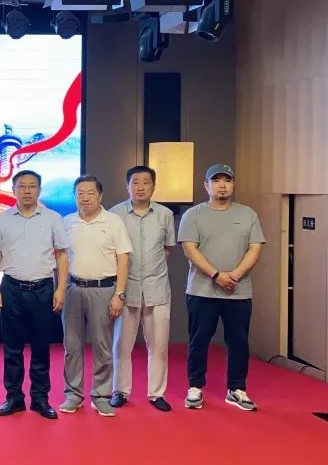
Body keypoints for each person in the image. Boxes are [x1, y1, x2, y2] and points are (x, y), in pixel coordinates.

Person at [179, 164, 265, 412]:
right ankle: (195, 387)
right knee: (198, 340)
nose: (222, 185)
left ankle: (236, 389)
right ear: (206, 186)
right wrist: (216, 275)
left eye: (227, 180)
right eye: (216, 181)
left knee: (238, 342)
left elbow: (255, 247)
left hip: (239, 290)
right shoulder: (193, 215)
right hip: (201, 290)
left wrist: (235, 275)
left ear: (233, 184)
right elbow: (189, 249)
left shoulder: (248, 214)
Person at [0, 170, 69, 420]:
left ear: (39, 190)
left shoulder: (53, 218)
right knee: (12, 348)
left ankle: (40, 398)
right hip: (11, 288)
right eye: (21, 186)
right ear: (13, 190)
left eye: (32, 186)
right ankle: (14, 397)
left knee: (41, 346)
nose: (26, 190)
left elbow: (62, 254)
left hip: (43, 289)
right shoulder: (3, 219)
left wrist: (60, 288)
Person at [59, 175, 132, 417]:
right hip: (73, 289)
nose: (85, 197)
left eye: (91, 193)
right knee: (72, 346)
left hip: (104, 290)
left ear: (100, 196)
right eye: (80, 193)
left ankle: (101, 396)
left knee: (102, 347)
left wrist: (119, 294)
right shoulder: (66, 222)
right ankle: (73, 394)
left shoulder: (113, 221)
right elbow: (59, 258)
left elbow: (123, 258)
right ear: (74, 196)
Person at [109, 166, 176, 412]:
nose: (140, 187)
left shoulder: (165, 214)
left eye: (146, 182)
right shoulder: (115, 214)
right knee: (121, 345)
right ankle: (120, 391)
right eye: (135, 182)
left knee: (158, 345)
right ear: (127, 186)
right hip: (125, 289)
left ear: (154, 187)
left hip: (157, 289)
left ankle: (157, 394)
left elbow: (167, 249)